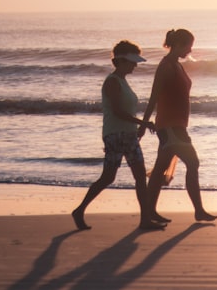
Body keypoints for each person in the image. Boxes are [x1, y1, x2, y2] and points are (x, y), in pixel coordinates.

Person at [71, 40, 166, 231]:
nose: (135, 65)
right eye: (131, 61)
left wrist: (138, 126)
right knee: (109, 177)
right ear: (120, 61)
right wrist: (143, 123)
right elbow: (117, 111)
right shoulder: (113, 82)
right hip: (116, 134)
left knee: (137, 175)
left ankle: (145, 219)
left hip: (127, 134)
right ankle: (80, 210)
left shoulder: (122, 81)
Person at [139, 28, 217, 223]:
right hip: (170, 126)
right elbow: (154, 97)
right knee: (192, 162)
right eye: (188, 47)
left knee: (160, 169)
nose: (190, 51)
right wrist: (143, 123)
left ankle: (149, 212)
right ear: (178, 45)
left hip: (176, 125)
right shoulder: (166, 66)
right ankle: (198, 210)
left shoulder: (176, 65)